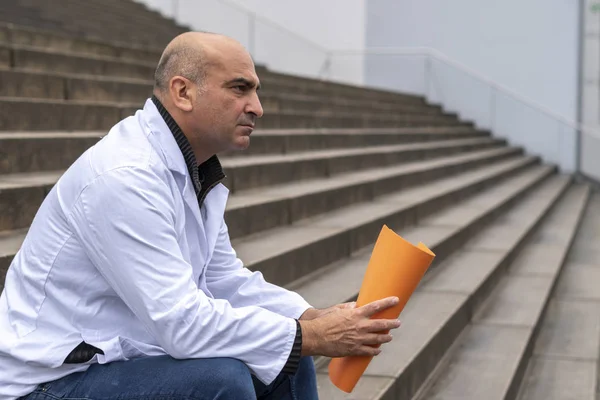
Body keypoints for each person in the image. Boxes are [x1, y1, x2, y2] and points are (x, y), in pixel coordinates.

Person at [0, 32, 401, 400]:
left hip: (115, 358)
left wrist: (308, 316)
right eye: (240, 89)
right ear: (183, 92)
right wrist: (308, 335)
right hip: (46, 381)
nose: (257, 108)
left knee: (285, 364)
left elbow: (223, 280)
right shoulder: (125, 177)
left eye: (256, 92)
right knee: (223, 380)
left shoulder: (191, 167)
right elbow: (181, 324)